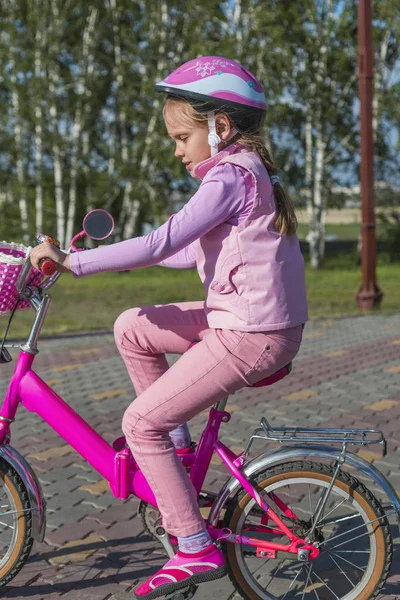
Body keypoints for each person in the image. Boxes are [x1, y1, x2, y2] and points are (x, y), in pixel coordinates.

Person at [30, 56, 308, 599]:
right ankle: (178, 456)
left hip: (252, 334)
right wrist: (119, 254)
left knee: (139, 423)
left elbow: (165, 240)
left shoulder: (232, 174)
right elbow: (180, 251)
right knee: (132, 326)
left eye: (182, 137)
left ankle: (193, 545)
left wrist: (73, 262)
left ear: (219, 128)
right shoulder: (246, 170)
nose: (177, 150)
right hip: (249, 321)